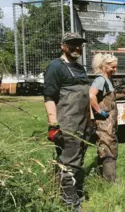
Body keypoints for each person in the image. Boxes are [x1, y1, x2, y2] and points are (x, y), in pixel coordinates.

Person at [43, 32, 90, 211]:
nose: (77, 47)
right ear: (63, 46)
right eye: (72, 44)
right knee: (69, 162)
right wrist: (53, 124)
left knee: (79, 158)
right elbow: (49, 97)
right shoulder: (56, 67)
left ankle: (73, 192)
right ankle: (71, 203)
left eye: (79, 44)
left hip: (83, 122)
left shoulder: (79, 68)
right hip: (67, 123)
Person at [89, 53, 119, 183]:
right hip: (104, 122)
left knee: (109, 145)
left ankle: (104, 174)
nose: (115, 69)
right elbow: (91, 96)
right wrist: (99, 111)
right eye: (113, 67)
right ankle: (109, 180)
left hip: (110, 121)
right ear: (104, 66)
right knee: (107, 147)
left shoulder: (108, 79)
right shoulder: (100, 79)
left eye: (116, 67)